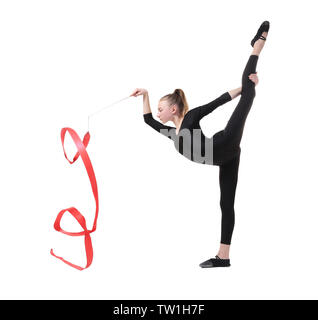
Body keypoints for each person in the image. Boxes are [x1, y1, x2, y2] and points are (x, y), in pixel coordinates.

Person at [130, 21, 270, 268]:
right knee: (226, 204)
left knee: (249, 92)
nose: (159, 113)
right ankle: (223, 257)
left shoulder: (191, 117)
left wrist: (245, 87)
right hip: (226, 158)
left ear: (173, 109)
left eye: (162, 109)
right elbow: (147, 120)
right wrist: (145, 94)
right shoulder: (172, 134)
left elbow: (218, 101)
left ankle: (257, 45)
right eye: (159, 109)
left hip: (225, 141)